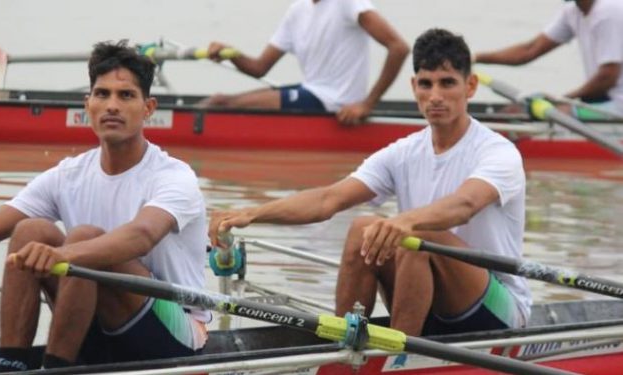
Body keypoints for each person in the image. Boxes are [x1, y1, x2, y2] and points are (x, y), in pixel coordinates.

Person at [0, 40, 209, 371]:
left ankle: (55, 367)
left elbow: (142, 235)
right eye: (102, 94)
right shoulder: (69, 175)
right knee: (31, 231)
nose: (112, 106)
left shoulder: (174, 177)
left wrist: (66, 255)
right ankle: (12, 365)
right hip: (94, 324)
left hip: (174, 335)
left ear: (148, 108)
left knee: (81, 237)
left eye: (126, 96)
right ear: (87, 104)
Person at [209, 28, 531, 336]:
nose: (435, 96)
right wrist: (253, 213)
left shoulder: (498, 152)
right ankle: (347, 348)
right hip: (429, 299)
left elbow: (465, 205)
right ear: (413, 86)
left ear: (470, 86)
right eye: (426, 84)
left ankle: (398, 358)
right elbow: (327, 200)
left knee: (417, 232)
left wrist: (406, 221)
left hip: (497, 308)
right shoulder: (404, 152)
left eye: (447, 83)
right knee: (362, 228)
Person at [202, 0, 409, 125]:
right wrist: (232, 54)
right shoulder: (297, 11)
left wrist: (367, 104)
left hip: (338, 103)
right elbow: (259, 68)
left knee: (221, 103)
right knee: (219, 100)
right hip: (311, 92)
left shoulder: (348, 2)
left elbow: (399, 47)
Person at [474, 0, 623, 119]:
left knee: (559, 112)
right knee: (514, 111)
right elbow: (529, 50)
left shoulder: (609, 10)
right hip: (602, 101)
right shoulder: (572, 10)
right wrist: (476, 58)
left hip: (617, 106)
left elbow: (607, 77)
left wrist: (562, 99)